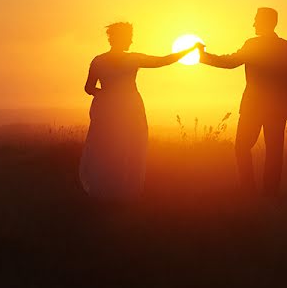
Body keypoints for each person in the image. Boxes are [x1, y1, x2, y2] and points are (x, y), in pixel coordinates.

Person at [81, 22, 199, 200]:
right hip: (129, 107)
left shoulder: (99, 60)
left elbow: (89, 88)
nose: (131, 40)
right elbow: (163, 61)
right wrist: (190, 49)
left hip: (107, 108)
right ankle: (124, 191)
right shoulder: (133, 59)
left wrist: (106, 95)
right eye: (129, 36)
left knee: (106, 147)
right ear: (121, 38)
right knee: (130, 147)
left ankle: (107, 190)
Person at [199, 8, 287, 197]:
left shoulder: (253, 45)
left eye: (256, 20)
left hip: (253, 106)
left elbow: (230, 62)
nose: (253, 24)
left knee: (242, 147)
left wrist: (203, 56)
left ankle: (248, 191)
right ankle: (270, 194)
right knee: (274, 152)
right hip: (277, 108)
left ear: (265, 22)